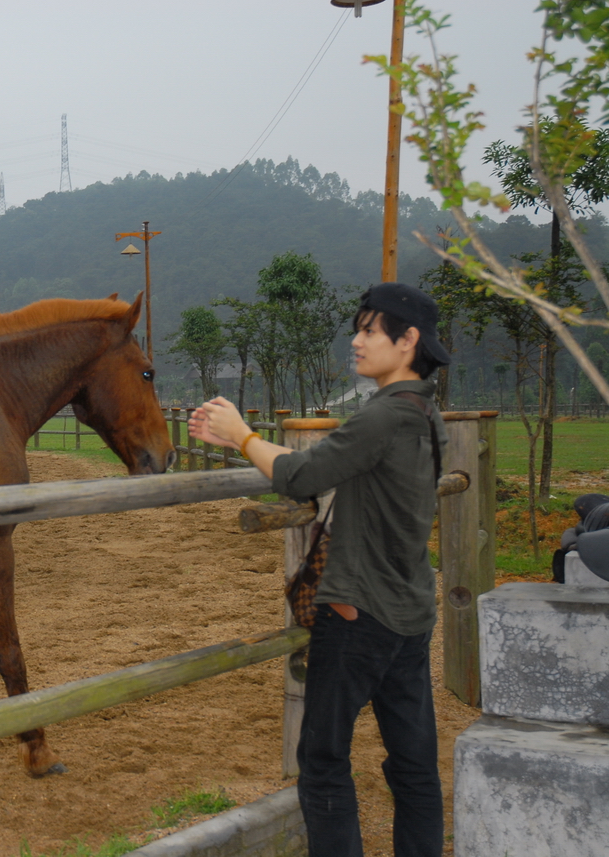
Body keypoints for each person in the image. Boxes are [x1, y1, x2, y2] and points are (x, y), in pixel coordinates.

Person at [188, 282, 450, 857]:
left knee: (324, 761)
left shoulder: (384, 418)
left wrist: (242, 436)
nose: (356, 341)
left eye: (369, 330)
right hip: (409, 611)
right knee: (412, 765)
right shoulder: (426, 414)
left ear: (407, 342)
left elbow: (300, 475)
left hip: (358, 614)